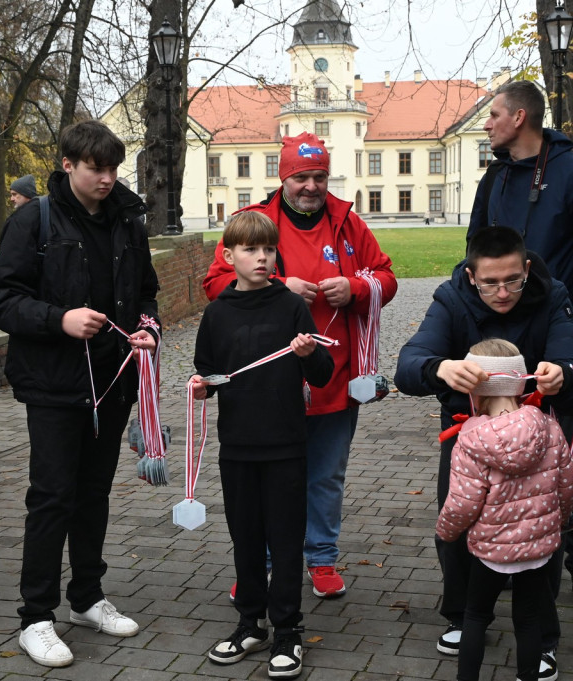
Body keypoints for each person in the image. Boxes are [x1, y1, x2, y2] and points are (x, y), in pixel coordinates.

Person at [0, 120, 159, 668]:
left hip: (113, 381)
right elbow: (2, 301)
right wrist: (60, 319)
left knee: (94, 495)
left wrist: (148, 329)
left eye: (112, 169)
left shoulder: (130, 222)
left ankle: (86, 597)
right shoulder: (32, 220)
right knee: (52, 496)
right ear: (68, 165)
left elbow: (147, 292)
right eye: (95, 169)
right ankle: (36, 616)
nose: (107, 179)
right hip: (56, 385)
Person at [202, 131, 396, 599]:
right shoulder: (253, 223)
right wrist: (277, 285)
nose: (311, 186)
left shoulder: (348, 222)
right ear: (284, 177)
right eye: (301, 176)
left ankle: (322, 557)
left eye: (319, 176)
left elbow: (385, 276)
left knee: (325, 474)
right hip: (269, 382)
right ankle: (262, 564)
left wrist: (356, 288)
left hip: (332, 373)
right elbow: (215, 283)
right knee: (268, 478)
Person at [395, 226, 573, 681]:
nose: (502, 293)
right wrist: (438, 367)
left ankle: (542, 638)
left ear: (525, 269)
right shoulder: (450, 298)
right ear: (470, 275)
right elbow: (408, 364)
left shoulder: (551, 294)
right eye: (489, 283)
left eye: (512, 281)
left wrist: (563, 375)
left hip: (539, 436)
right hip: (469, 437)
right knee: (461, 527)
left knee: (541, 537)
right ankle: (463, 616)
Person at [467, 80, 573, 618]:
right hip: (502, 341)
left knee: (567, 456)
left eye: (494, 114)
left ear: (521, 117)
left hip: (557, 334)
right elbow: (473, 254)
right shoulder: (495, 176)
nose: (487, 123)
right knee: (503, 450)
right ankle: (512, 550)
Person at [191, 212, 333, 680]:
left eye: (269, 249)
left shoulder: (290, 306)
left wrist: (312, 354)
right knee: (246, 537)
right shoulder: (217, 312)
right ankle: (250, 623)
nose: (262, 257)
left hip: (285, 444)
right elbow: (208, 370)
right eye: (251, 250)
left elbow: (323, 372)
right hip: (237, 446)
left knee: (286, 540)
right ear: (228, 257)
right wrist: (200, 385)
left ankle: (288, 630)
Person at [436, 338, 573, 681]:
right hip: (537, 549)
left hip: (490, 549)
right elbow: (567, 485)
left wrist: (447, 533)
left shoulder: (471, 439)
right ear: (519, 382)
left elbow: (462, 504)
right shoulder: (549, 427)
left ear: (475, 389)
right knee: (528, 619)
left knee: (475, 616)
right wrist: (555, 523)